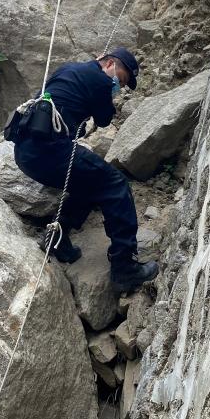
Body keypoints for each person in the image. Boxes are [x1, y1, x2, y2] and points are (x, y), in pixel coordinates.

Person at [12, 47, 158, 293]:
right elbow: (103, 119)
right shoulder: (100, 80)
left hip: (25, 153)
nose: (119, 87)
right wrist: (105, 100)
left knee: (89, 184)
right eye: (120, 80)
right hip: (51, 152)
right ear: (110, 63)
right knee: (116, 184)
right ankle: (124, 267)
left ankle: (57, 240)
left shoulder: (70, 69)